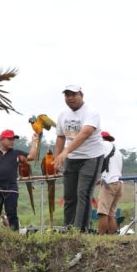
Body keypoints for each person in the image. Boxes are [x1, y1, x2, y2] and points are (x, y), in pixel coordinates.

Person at [53, 85, 104, 232]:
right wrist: (57, 158)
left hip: (91, 157)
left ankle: (80, 231)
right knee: (69, 196)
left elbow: (85, 133)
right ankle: (68, 228)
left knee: (83, 194)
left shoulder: (91, 112)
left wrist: (66, 151)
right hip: (72, 158)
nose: (70, 98)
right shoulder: (63, 115)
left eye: (73, 94)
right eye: (67, 95)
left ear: (81, 95)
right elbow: (61, 137)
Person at [96, 131, 123, 235]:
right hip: (119, 183)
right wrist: (101, 179)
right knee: (111, 213)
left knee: (103, 212)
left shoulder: (104, 145)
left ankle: (100, 238)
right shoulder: (118, 151)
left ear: (101, 139)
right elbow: (112, 169)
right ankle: (111, 238)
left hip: (109, 184)